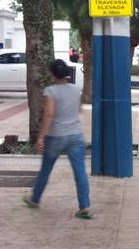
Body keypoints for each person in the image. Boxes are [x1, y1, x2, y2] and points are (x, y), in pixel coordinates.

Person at [23, 59, 92, 219]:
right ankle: (84, 207)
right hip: (76, 135)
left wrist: (41, 137)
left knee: (46, 170)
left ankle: (35, 199)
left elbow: (49, 114)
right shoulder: (75, 89)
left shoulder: (50, 91)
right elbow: (79, 110)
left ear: (52, 73)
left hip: (56, 136)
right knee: (80, 172)